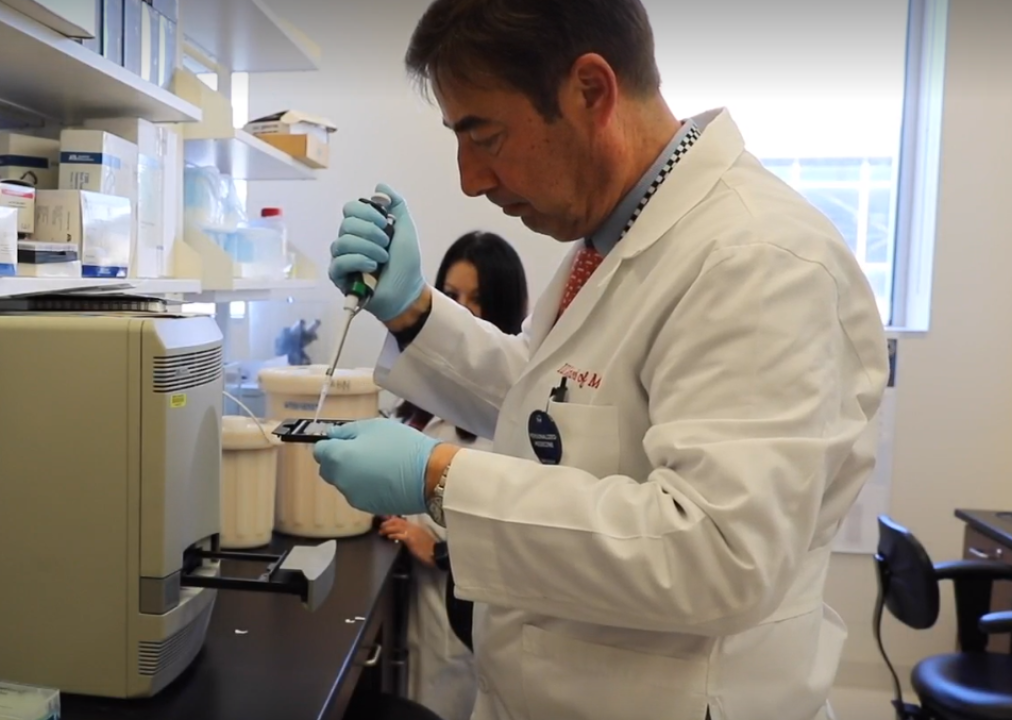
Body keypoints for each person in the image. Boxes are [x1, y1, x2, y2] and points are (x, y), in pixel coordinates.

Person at [312, 1, 890, 719]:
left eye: (483, 135)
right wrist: (413, 312)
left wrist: (438, 478)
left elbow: (716, 554)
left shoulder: (761, 259)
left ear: (590, 90)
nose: (470, 179)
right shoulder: (614, 234)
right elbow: (553, 408)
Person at [379, 231, 529, 720]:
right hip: (420, 605)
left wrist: (441, 551)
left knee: (448, 699)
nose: (461, 310)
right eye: (450, 295)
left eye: (477, 300)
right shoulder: (421, 402)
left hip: (461, 607)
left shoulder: (510, 418)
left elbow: (517, 528)